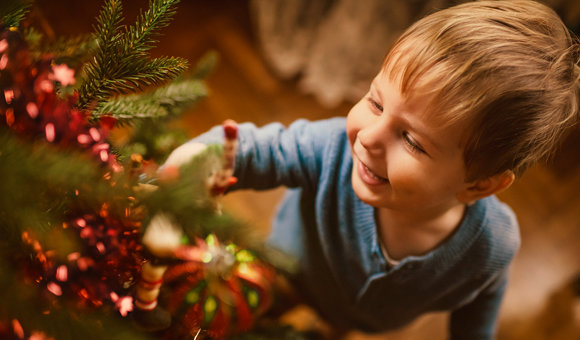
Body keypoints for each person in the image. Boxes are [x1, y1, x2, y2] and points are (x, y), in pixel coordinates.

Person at [163, 1, 580, 338]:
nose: (368, 138)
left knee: (336, 329)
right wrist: (186, 168)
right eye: (376, 102)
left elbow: (481, 304)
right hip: (284, 268)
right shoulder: (328, 149)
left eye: (412, 141)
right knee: (259, 306)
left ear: (481, 185)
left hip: (367, 322)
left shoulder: (493, 245)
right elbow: (252, 149)